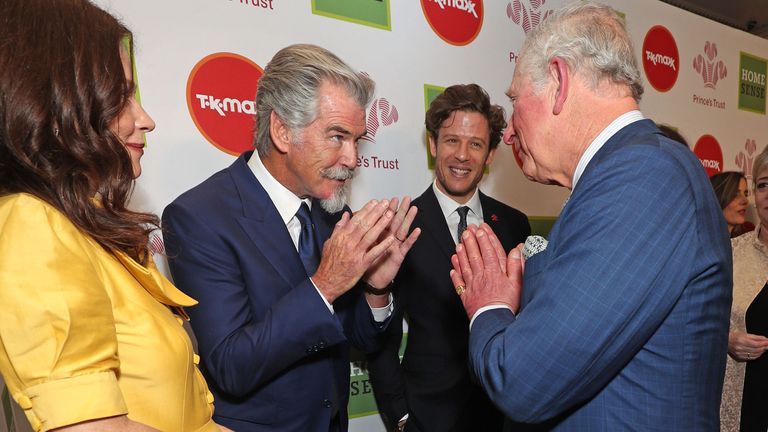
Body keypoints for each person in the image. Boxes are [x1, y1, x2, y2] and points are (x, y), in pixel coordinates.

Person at [449, 2, 732, 430]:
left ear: (559, 82)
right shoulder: (628, 173)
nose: (506, 133)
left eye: (515, 100)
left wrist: (489, 305)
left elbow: (523, 379)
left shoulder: (644, 176)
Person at [162, 44, 420, 432]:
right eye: (337, 137)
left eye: (357, 141)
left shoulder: (333, 213)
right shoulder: (199, 218)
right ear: (282, 131)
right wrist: (325, 286)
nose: (352, 159)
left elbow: (361, 340)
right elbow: (231, 365)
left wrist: (376, 289)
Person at [0, 0, 226, 431]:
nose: (146, 119)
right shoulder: (33, 226)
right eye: (122, 97)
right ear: (62, 101)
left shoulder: (89, 223)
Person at [366, 84, 530, 432]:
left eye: (475, 144)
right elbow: (380, 339)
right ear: (433, 145)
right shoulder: (402, 226)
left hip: (502, 415)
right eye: (452, 140)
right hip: (427, 417)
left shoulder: (514, 224)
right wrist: (401, 414)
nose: (462, 155)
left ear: (489, 156)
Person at [721, 148, 768, 431]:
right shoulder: (729, 253)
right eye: (763, 185)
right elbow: (697, 324)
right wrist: (726, 340)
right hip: (739, 409)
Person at [710, 171, 752, 238]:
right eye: (735, 195)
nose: (745, 201)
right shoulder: (698, 242)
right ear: (717, 198)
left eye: (745, 194)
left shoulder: (750, 233)